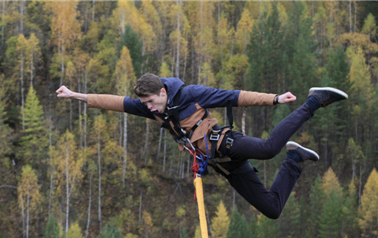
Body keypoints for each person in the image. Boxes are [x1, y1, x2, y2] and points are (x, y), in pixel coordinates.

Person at [56, 74, 347, 219]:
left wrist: (274, 99)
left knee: (269, 149)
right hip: (224, 165)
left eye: (151, 102)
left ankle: (314, 101)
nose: (148, 109)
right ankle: (295, 158)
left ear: (162, 92)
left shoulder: (189, 94)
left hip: (224, 143)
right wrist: (74, 95)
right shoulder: (152, 107)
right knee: (271, 208)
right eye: (144, 104)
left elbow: (232, 96)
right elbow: (113, 102)